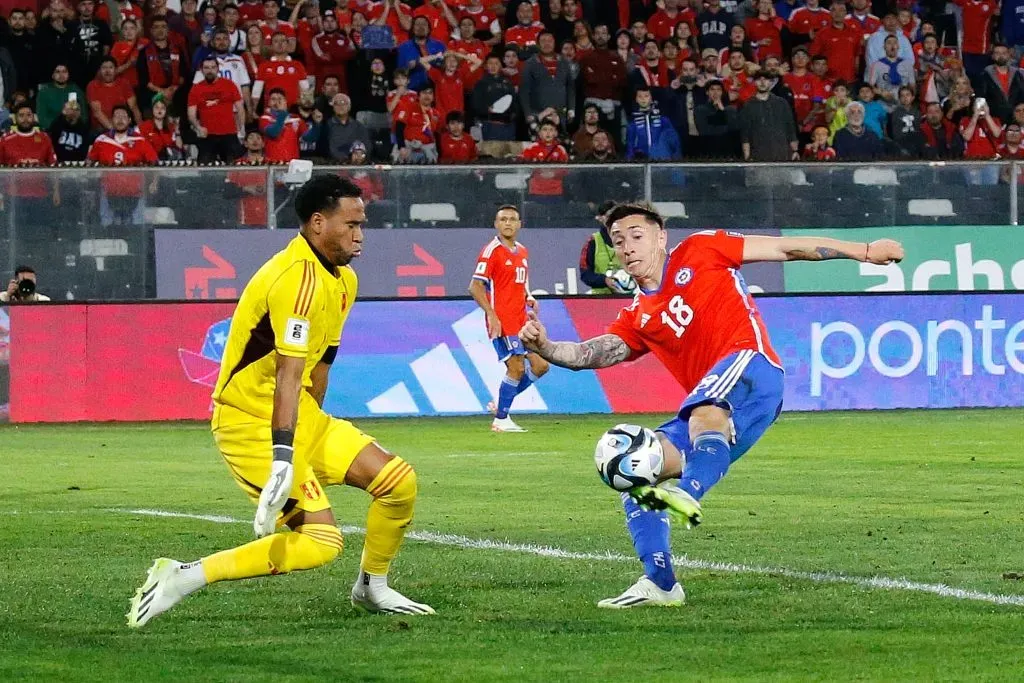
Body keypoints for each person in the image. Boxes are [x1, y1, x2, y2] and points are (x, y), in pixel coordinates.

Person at [519, 202, 905, 607]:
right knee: (632, 469)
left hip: (753, 367)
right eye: (619, 242)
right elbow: (590, 354)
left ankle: (687, 493)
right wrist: (544, 346)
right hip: (719, 404)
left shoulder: (700, 250)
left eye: (637, 235)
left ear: (661, 238)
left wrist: (863, 251)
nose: (628, 247)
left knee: (705, 409)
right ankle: (662, 584)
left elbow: (787, 249)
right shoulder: (638, 315)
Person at [127, 175, 434, 628]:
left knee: (398, 483)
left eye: (362, 224)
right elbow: (289, 374)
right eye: (351, 224)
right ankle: (184, 576)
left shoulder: (344, 280)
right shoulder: (295, 280)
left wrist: (313, 434)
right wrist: (285, 457)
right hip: (248, 422)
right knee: (321, 542)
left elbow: (320, 365)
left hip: (298, 414)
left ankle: (372, 586)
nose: (360, 234)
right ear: (316, 223)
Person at [468, 205, 549, 433]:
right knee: (516, 368)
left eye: (512, 219)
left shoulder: (522, 251)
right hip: (502, 321)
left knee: (541, 366)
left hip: (522, 320)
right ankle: (501, 419)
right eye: (503, 219)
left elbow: (521, 283)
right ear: (496, 224)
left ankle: (501, 404)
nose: (508, 223)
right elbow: (475, 287)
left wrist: (529, 297)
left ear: (519, 224)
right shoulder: (491, 251)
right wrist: (491, 316)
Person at [188, 55, 245, 162]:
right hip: (207, 135)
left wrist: (239, 127)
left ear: (218, 69)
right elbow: (191, 114)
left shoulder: (229, 85)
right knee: (205, 170)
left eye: (213, 67)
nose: (210, 71)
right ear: (201, 70)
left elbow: (240, 108)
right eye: (206, 68)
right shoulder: (196, 89)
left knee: (235, 169)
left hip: (229, 134)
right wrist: (198, 127)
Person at [578, 200, 635, 295]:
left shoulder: (631, 240)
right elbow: (585, 275)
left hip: (628, 298)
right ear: (600, 218)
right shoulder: (593, 242)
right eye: (609, 216)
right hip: (600, 300)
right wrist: (605, 281)